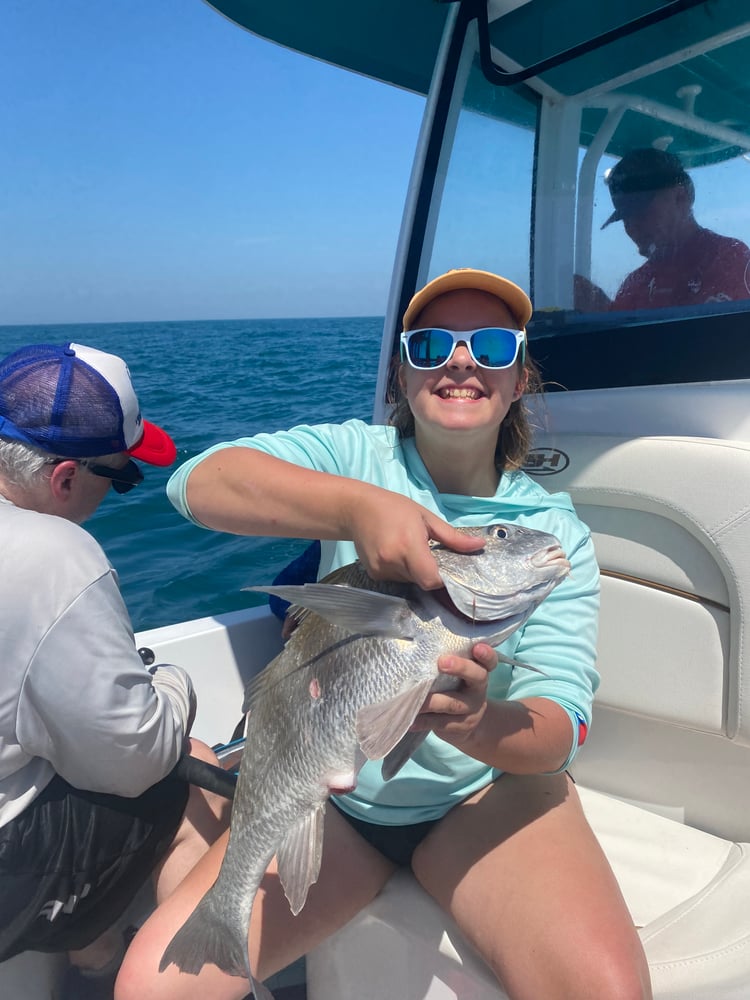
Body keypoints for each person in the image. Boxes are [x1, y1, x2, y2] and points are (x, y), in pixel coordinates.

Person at [116, 268, 652, 1000]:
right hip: (338, 802)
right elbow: (197, 482)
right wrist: (358, 510)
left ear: (520, 378)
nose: (461, 361)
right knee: (150, 989)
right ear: (401, 375)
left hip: (486, 797)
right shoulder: (356, 458)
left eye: (491, 347)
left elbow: (557, 727)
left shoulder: (552, 536)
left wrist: (476, 722)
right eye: (431, 345)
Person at [0, 343, 231, 999]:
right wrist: (174, 688)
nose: (117, 493)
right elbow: (134, 760)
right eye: (121, 478)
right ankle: (174, 981)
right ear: (66, 478)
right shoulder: (53, 554)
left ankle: (97, 950)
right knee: (190, 772)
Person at [575, 146, 750, 311]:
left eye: (641, 211)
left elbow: (712, 339)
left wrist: (604, 313)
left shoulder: (729, 259)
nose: (632, 227)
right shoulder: (635, 284)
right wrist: (602, 310)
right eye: (625, 217)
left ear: (681, 198)